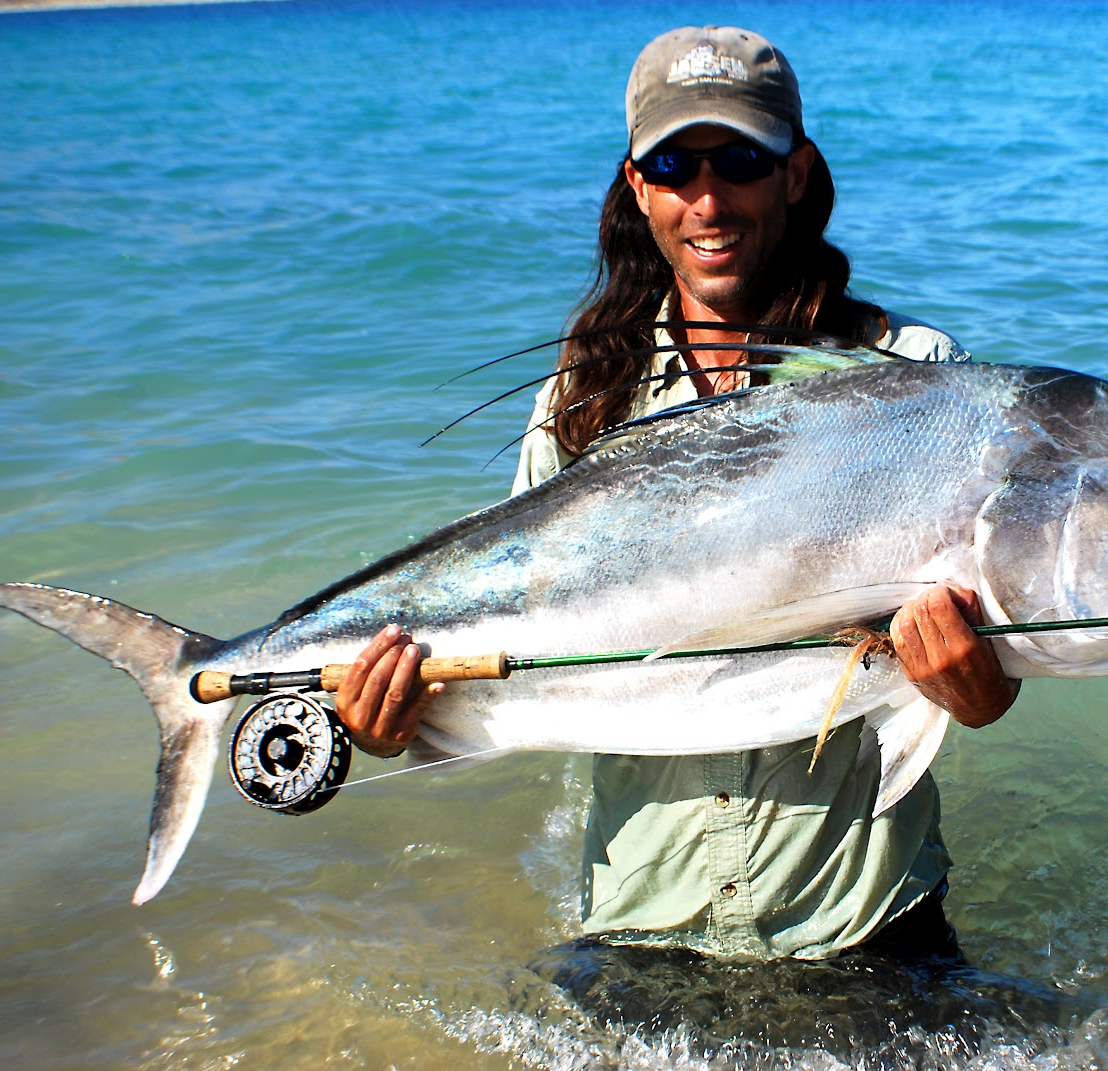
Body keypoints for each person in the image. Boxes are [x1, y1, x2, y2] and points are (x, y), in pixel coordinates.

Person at [334, 26, 1019, 962]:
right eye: (673, 164)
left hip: (859, 920)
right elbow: (511, 637)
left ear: (795, 172)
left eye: (739, 159)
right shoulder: (580, 403)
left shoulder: (914, 379)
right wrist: (387, 717)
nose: (708, 199)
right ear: (637, 185)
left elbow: (986, 685)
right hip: (638, 916)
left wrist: (974, 686)